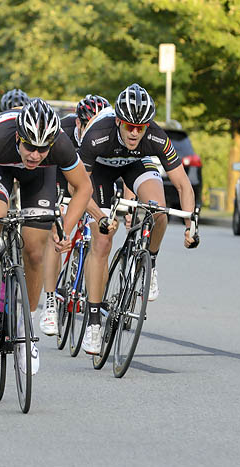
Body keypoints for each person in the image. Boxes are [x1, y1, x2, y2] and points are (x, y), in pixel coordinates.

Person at [0, 98, 92, 374]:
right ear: (19, 137)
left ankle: (27, 330)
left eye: (43, 149)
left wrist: (65, 227)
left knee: (34, 250)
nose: (34, 154)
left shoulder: (60, 147)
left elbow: (83, 188)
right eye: (30, 146)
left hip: (40, 180)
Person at [78, 83, 199, 355]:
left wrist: (191, 225)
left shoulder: (155, 136)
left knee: (159, 211)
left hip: (136, 165)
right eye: (129, 126)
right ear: (118, 121)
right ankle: (94, 322)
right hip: (99, 171)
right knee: (103, 240)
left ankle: (150, 262)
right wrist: (100, 217)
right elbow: (79, 189)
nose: (135, 132)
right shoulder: (97, 134)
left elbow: (183, 185)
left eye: (140, 127)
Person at [39, 94, 110, 336]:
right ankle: (49, 302)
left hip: (90, 178)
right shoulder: (63, 131)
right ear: (79, 123)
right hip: (58, 175)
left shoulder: (103, 136)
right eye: (89, 126)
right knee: (56, 231)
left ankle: (95, 300)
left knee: (103, 236)